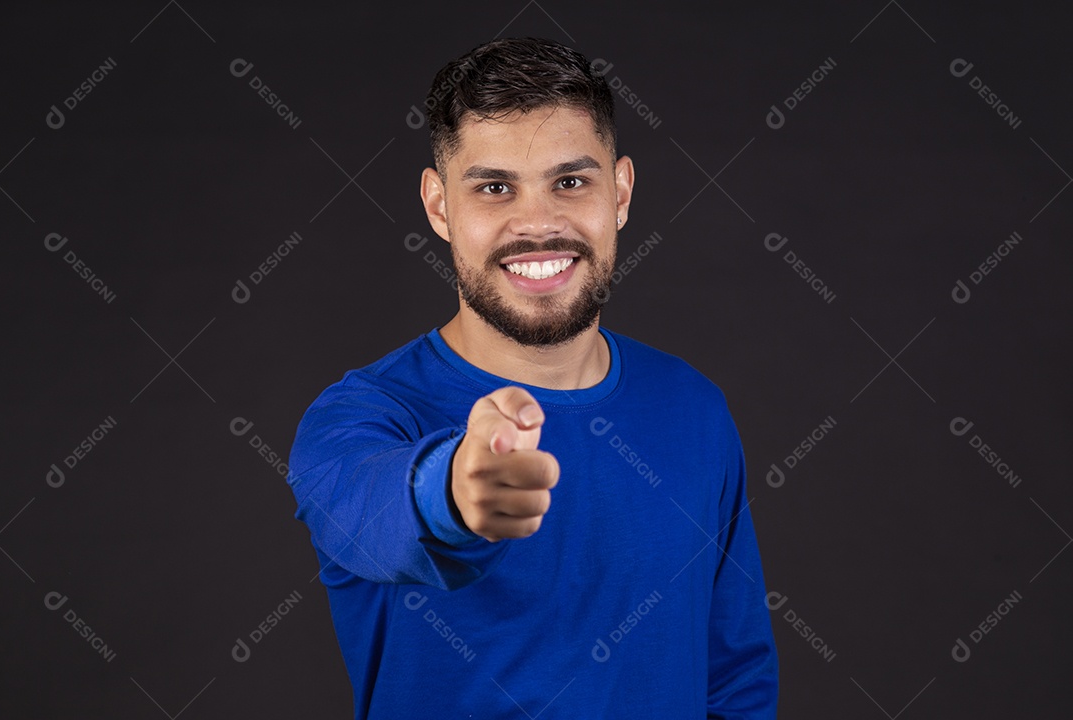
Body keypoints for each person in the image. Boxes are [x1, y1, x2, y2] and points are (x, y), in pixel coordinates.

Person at [287, 36, 778, 718]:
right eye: (494, 188)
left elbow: (734, 677)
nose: (538, 224)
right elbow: (375, 508)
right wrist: (456, 494)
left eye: (570, 182)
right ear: (438, 208)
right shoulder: (358, 418)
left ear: (622, 193)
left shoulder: (694, 408)